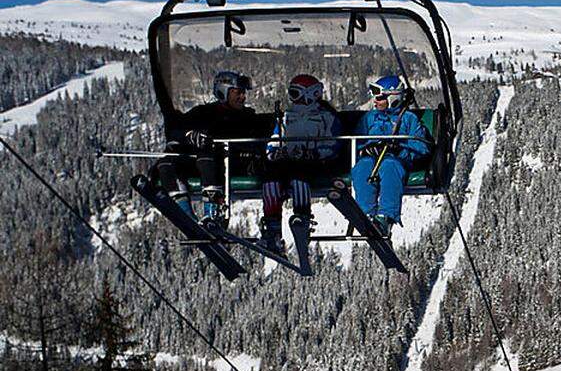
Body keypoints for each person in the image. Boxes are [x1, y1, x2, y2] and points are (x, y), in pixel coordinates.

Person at [153, 70, 258, 227]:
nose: (242, 97)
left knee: (206, 156)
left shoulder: (247, 117)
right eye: (237, 92)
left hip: (230, 164)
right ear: (223, 92)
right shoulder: (202, 112)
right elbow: (177, 129)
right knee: (167, 163)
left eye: (243, 93)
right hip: (201, 163)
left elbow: (252, 142)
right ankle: (187, 216)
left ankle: (213, 212)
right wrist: (189, 135)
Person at [259, 74, 341, 253]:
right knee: (271, 176)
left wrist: (313, 153)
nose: (292, 98)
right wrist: (274, 153)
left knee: (299, 173)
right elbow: (274, 140)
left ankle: (302, 216)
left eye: (295, 93)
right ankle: (272, 228)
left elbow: (334, 144)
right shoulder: (286, 117)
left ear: (311, 94)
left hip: (315, 163)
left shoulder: (326, 117)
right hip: (288, 161)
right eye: (292, 93)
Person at [351, 75, 431, 236]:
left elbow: (422, 146)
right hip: (372, 158)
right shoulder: (370, 118)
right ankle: (366, 213)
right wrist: (367, 148)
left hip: (396, 159)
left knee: (389, 167)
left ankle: (385, 217)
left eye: (380, 98)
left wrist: (399, 148)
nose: (376, 101)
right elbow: (356, 141)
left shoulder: (408, 119)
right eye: (375, 97)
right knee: (362, 168)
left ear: (393, 97)